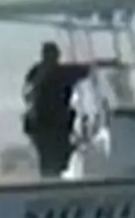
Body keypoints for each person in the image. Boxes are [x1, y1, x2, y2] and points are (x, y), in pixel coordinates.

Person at [21, 41, 104, 177]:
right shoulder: (57, 73)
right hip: (52, 125)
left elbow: (26, 93)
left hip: (38, 125)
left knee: (47, 159)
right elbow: (82, 71)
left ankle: (49, 179)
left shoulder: (35, 72)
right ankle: (52, 182)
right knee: (56, 159)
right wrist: (97, 65)